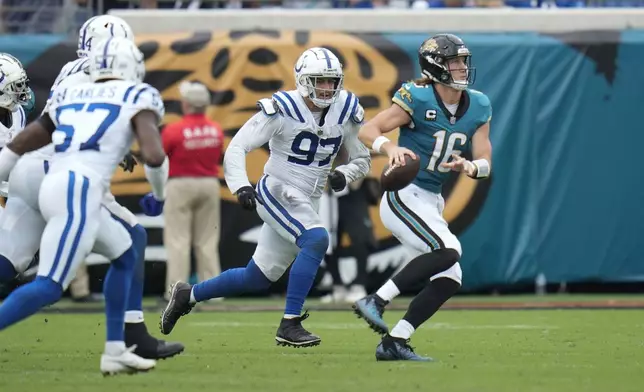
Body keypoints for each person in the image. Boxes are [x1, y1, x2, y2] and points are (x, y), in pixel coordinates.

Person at [159, 47, 371, 347]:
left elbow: (362, 159)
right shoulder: (283, 108)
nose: (326, 88)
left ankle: (187, 295)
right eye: (319, 80)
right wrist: (240, 185)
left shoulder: (346, 109)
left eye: (331, 81)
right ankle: (290, 323)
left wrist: (345, 174)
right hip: (278, 189)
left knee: (256, 277)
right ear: (303, 80)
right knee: (316, 238)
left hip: (308, 198)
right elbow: (238, 147)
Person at [0, 14, 184, 360]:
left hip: (31, 167)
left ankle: (119, 345)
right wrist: (158, 194)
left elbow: (44, 131)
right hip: (67, 178)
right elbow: (155, 156)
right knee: (56, 281)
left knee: (8, 262)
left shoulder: (69, 77)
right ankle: (131, 336)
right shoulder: (133, 91)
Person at [353, 33, 493, 361]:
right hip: (403, 194)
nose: (462, 67)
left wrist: (470, 166)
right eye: (454, 61)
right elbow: (367, 130)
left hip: (431, 199)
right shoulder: (418, 97)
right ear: (436, 66)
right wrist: (390, 147)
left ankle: (395, 342)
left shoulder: (480, 104)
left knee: (449, 277)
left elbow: (486, 163)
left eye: (463, 60)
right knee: (449, 250)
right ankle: (376, 299)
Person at [162, 81, 224, 298]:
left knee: (178, 241)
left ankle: (175, 292)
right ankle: (213, 292)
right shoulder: (215, 129)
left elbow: (160, 157)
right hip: (208, 183)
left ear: (185, 104)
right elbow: (219, 156)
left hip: (180, 184)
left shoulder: (174, 130)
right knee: (207, 241)